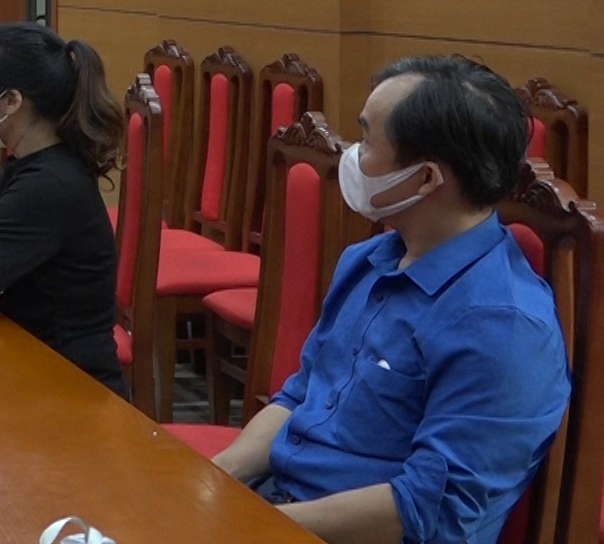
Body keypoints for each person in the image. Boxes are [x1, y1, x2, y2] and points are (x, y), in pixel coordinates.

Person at [211, 55, 568, 544]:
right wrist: (216, 477)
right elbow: (301, 394)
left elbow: (425, 511)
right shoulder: (370, 259)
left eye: (367, 141)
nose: (351, 156)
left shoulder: (503, 325)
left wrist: (255, 526)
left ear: (425, 179)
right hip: (280, 507)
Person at [0, 24, 125, 394]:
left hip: (74, 386)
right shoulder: (24, 164)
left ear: (11, 101)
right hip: (31, 361)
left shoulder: (48, 186)